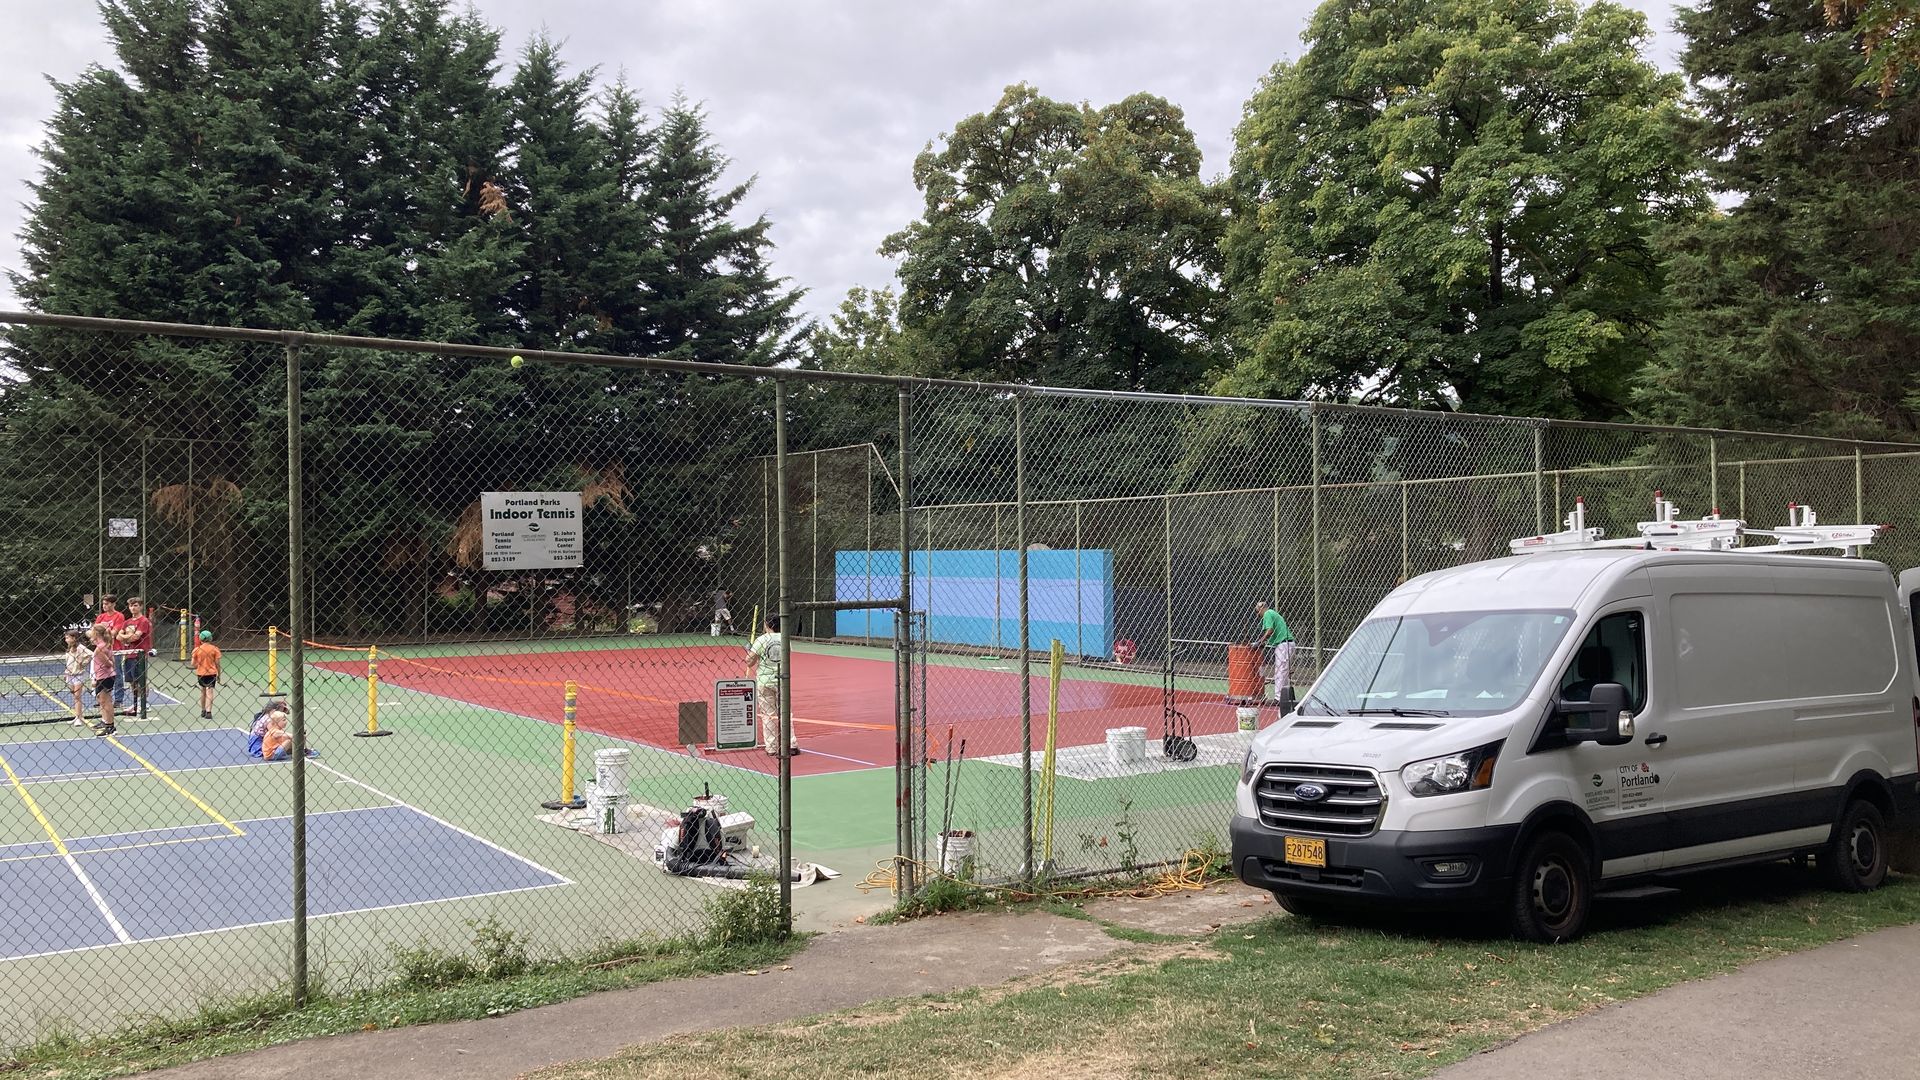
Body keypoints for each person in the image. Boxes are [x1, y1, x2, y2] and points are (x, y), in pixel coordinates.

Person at [745, 614, 796, 756]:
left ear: (768, 625)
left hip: (765, 681)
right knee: (785, 713)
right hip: (782, 680)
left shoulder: (761, 640)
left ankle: (772, 747)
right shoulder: (785, 638)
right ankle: (791, 744)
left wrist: (749, 651)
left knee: (768, 715)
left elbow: (749, 661)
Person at [1252, 601, 1296, 704]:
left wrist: (1260, 641)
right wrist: (1264, 642)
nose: (1258, 615)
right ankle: (1285, 698)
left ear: (1262, 608)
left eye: (1258, 612)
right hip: (1286, 644)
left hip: (1283, 645)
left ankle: (1278, 698)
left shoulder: (1267, 613)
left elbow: (1270, 630)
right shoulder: (1272, 613)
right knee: (1284, 673)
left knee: (1280, 672)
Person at [118, 596, 154, 719]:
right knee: (132, 681)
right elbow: (118, 636)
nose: (133, 608)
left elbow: (136, 637)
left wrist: (125, 636)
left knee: (140, 680)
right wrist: (127, 636)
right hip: (128, 654)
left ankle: (144, 703)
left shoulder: (143, 621)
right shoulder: (127, 622)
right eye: (131, 606)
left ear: (140, 606)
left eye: (135, 605)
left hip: (139, 655)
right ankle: (135, 704)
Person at [92, 594, 128, 708]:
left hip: (114, 649)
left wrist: (105, 634)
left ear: (113, 604)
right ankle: (102, 697)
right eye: (103, 604)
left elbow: (114, 632)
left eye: (107, 604)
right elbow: (95, 631)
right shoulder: (101, 617)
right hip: (101, 650)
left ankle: (118, 699)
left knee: (116, 673)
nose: (104, 606)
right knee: (100, 674)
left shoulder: (119, 616)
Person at [85, 625, 117, 736]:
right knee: (101, 700)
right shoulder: (103, 645)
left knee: (106, 701)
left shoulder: (100, 648)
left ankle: (110, 726)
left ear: (97, 634)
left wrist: (107, 666)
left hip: (105, 676)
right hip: (101, 676)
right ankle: (105, 721)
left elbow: (109, 662)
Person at [61, 630, 92, 727]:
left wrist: (82, 663)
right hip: (69, 674)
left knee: (77, 696)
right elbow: (68, 661)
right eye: (66, 638)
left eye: (68, 637)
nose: (66, 639)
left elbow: (91, 655)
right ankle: (78, 715)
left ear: (74, 638)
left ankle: (78, 718)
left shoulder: (81, 648)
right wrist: (66, 672)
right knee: (75, 696)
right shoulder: (69, 648)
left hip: (79, 674)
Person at [193, 629, 222, 720]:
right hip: (212, 673)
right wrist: (219, 674)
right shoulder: (215, 649)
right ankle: (209, 711)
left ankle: (203, 710)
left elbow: (193, 664)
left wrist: (199, 663)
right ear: (210, 639)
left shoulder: (197, 650)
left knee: (203, 691)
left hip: (201, 673)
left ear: (200, 639)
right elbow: (217, 663)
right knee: (210, 691)